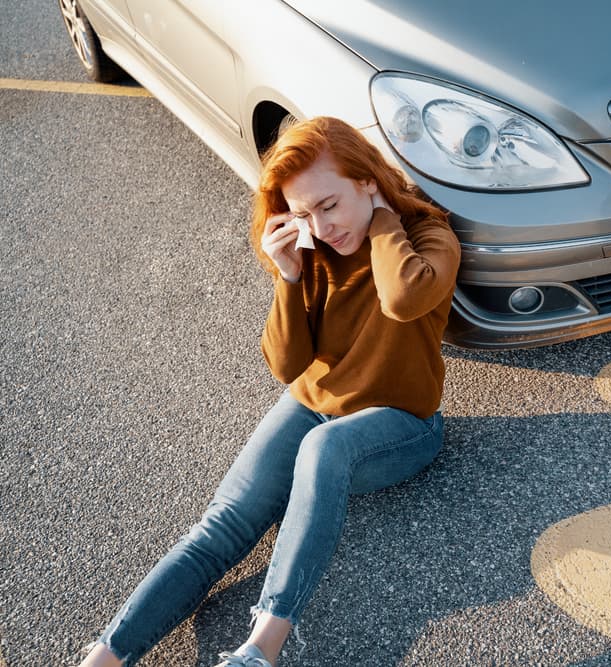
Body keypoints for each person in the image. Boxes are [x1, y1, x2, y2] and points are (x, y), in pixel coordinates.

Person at [79, 116, 461, 667]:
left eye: (329, 205)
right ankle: (107, 656)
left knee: (323, 451)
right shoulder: (313, 253)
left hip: (402, 422)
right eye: (304, 213)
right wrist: (287, 277)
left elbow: (402, 298)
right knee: (223, 524)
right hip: (311, 403)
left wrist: (380, 219)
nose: (321, 227)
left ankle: (262, 649)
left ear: (367, 180)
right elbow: (287, 364)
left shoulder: (427, 237)